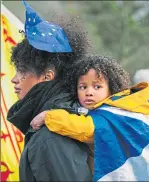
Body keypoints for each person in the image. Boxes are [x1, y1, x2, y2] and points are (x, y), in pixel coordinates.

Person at [31, 55, 149, 181]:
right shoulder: (123, 105)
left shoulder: (117, 112)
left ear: (111, 89)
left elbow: (86, 129)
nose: (89, 92)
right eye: (82, 87)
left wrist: (48, 116)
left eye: (97, 86)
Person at [7, 0, 92, 181]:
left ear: (47, 76)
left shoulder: (50, 136)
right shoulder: (59, 121)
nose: (14, 78)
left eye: (22, 71)